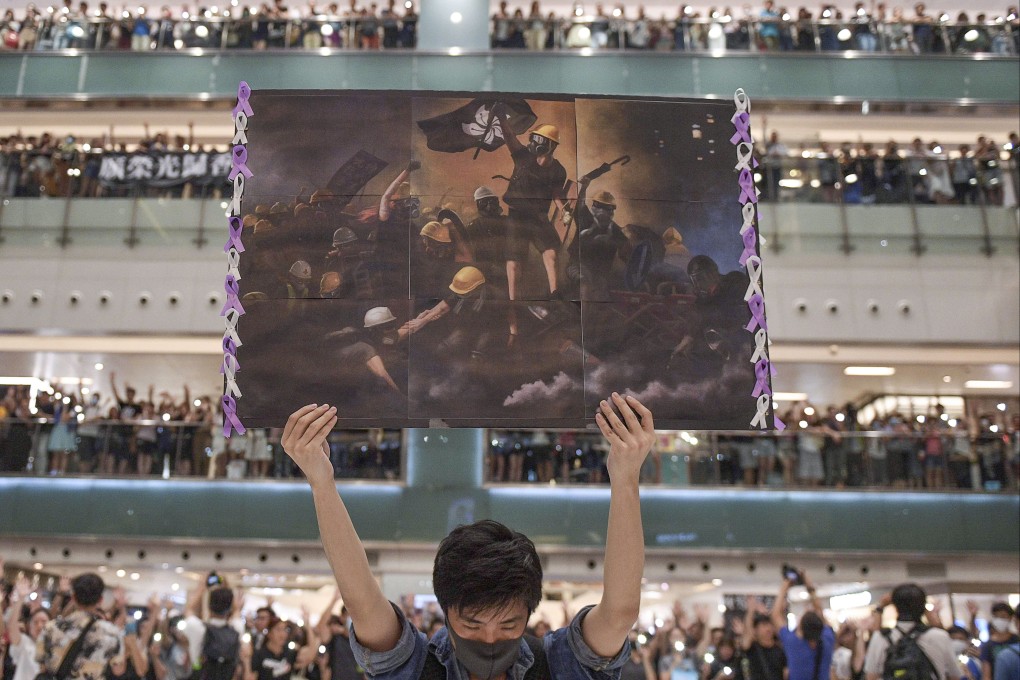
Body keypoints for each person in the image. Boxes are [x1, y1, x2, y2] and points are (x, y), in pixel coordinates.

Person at [279, 392, 655, 680]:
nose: (490, 640)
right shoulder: (415, 666)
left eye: (509, 624)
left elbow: (620, 611)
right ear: (446, 612)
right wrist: (321, 482)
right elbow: (362, 601)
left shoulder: (558, 663)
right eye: (472, 624)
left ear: (529, 613)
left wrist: (626, 477)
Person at [491, 102, 567, 301]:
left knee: (550, 252)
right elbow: (509, 137)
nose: (534, 142)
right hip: (517, 215)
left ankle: (555, 293)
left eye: (540, 139)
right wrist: (500, 117)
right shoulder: (523, 157)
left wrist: (565, 211)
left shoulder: (558, 170)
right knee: (514, 261)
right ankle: (512, 300)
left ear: (551, 146)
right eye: (535, 138)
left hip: (538, 216)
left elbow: (557, 194)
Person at [36, 573, 124, 680]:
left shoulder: (50, 627)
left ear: (73, 598)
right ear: (100, 600)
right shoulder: (112, 633)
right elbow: (118, 670)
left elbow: (41, 663)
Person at [863, 584, 957, 680]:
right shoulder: (940, 636)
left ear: (895, 606)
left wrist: (880, 607)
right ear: (923, 606)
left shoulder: (881, 637)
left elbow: (871, 676)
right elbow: (955, 675)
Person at [771, 569, 834, 680]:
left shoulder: (794, 644)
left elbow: (775, 615)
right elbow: (820, 611)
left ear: (800, 630)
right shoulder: (827, 640)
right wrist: (808, 584)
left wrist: (784, 588)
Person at [981, 603, 1020, 680]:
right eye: (996, 616)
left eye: (1003, 616)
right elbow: (986, 674)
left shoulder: (1016, 639)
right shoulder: (987, 645)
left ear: (1012, 618)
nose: (999, 620)